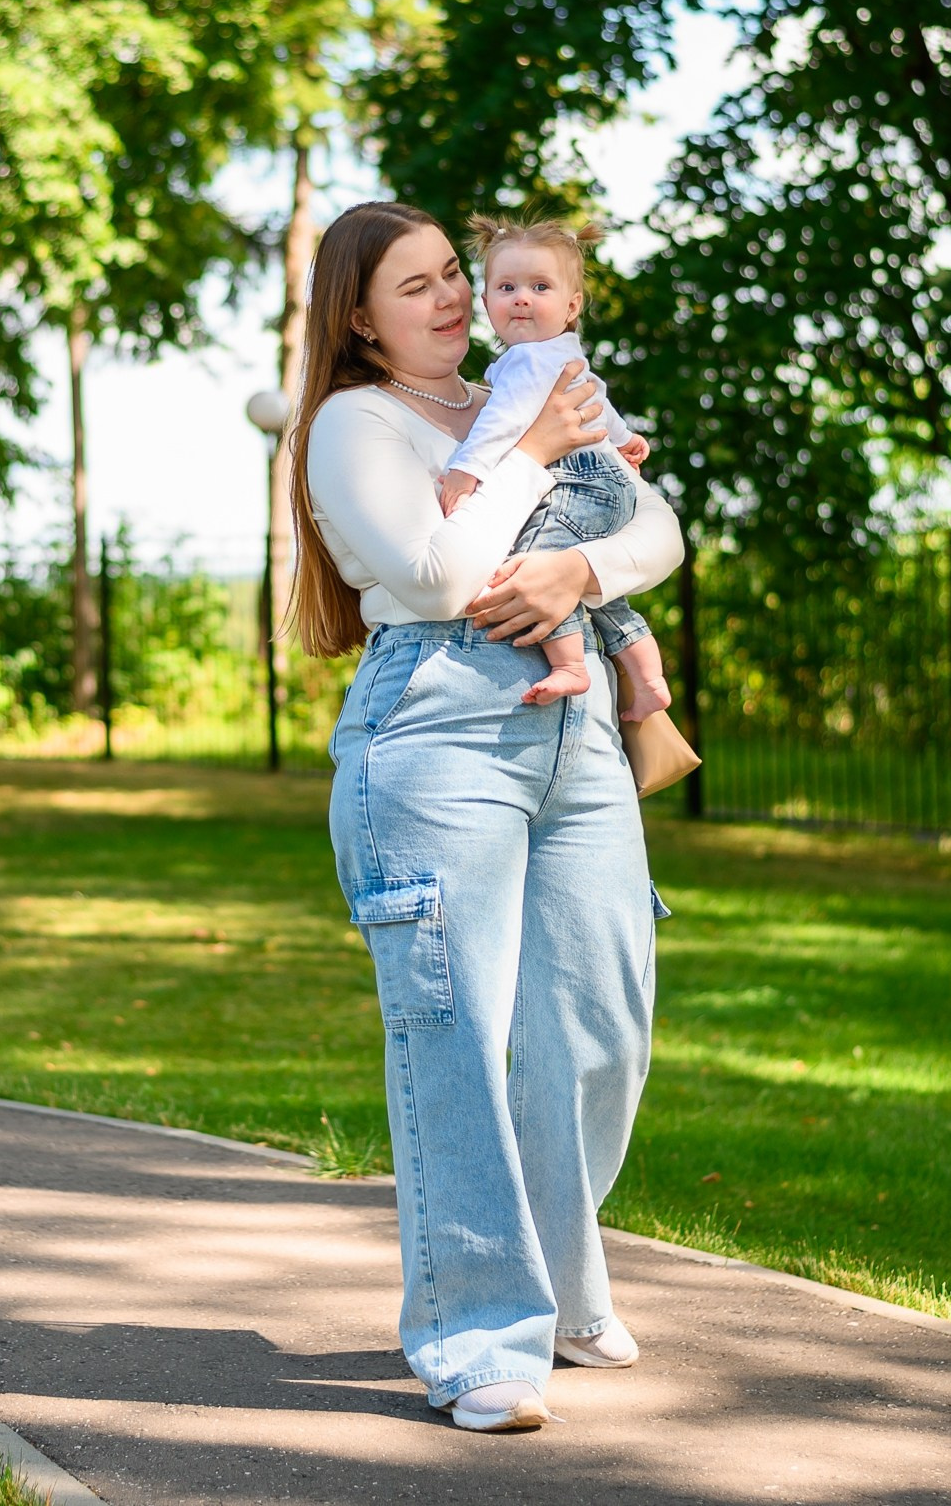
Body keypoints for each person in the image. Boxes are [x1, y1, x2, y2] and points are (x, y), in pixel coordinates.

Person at [289, 200, 683, 1433]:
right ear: (360, 318)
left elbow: (656, 528)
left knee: (600, 1022)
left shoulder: (535, 382)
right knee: (458, 1034)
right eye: (416, 287)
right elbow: (442, 573)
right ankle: (479, 1339)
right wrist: (532, 470)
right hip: (439, 723)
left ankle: (562, 1285)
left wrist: (581, 568)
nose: (454, 296)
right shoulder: (352, 423)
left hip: (573, 734)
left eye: (454, 272)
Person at [434, 216, 673, 717]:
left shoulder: (526, 362)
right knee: (595, 592)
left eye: (539, 286)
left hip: (577, 483)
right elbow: (596, 400)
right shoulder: (562, 354)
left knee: (534, 562)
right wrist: (626, 439)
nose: (521, 297)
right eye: (507, 287)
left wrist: (466, 471)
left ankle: (570, 666)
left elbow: (502, 420)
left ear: (571, 306)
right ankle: (647, 675)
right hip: (603, 480)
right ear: (486, 304)